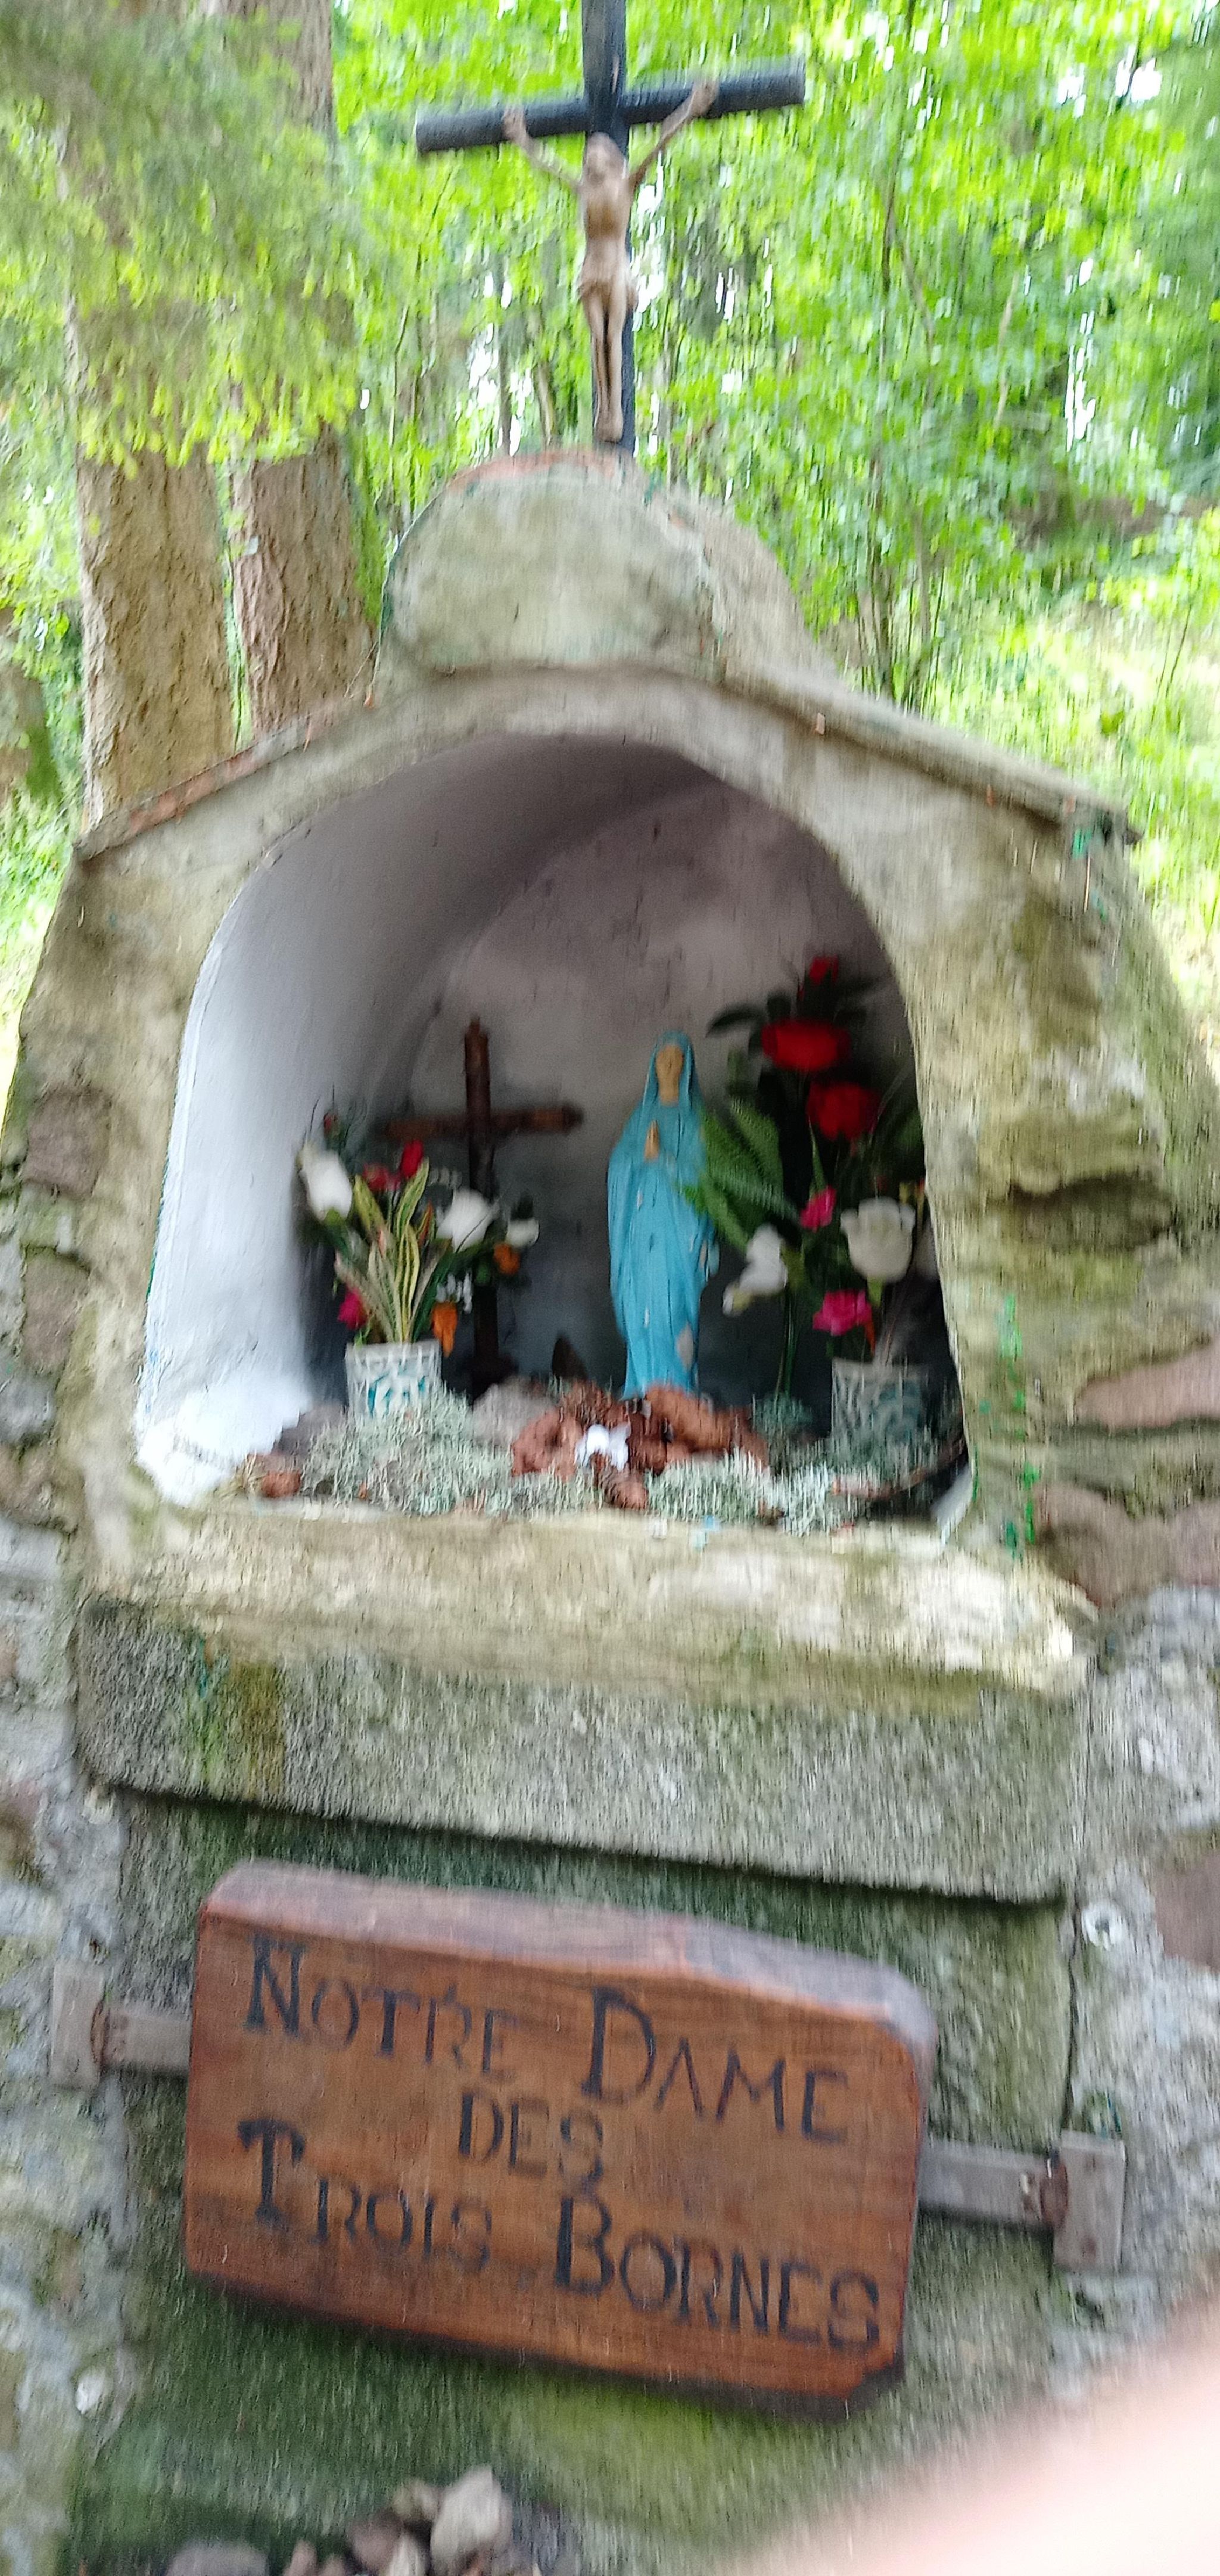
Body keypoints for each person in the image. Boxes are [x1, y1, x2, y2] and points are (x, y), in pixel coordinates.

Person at [503, 81, 718, 443]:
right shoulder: (584, 190)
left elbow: (660, 144)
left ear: (609, 158)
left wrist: (691, 109)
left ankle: (615, 410)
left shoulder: (626, 184)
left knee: (613, 336)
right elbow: (549, 166)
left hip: (617, 270)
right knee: (596, 337)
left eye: (596, 153)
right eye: (588, 155)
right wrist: (522, 139)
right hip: (591, 270)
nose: (589, 158)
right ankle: (602, 407)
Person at [607, 1034, 718, 1395]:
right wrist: (641, 1158)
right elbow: (619, 1165)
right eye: (662, 1059)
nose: (669, 1066)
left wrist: (665, 1161)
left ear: (687, 1068)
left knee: (670, 1313)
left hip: (675, 1236)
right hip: (641, 1231)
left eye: (676, 1059)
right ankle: (639, 1391)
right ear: (653, 1067)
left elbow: (706, 1181)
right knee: (640, 1310)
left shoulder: (697, 1122)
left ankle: (676, 1393)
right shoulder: (640, 1118)